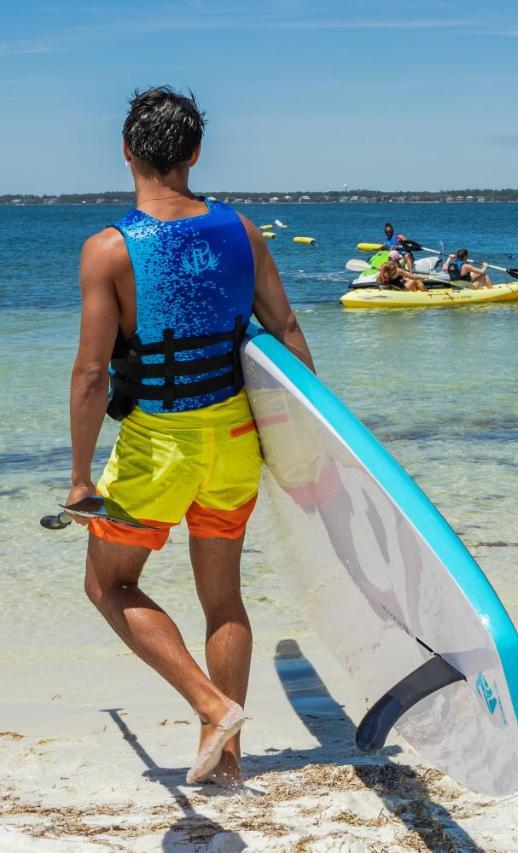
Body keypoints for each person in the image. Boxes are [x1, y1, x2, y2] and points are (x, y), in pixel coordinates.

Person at [67, 87, 315, 785]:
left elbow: (91, 375)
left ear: (125, 150)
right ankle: (226, 760)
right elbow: (288, 332)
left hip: (159, 447)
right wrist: (314, 446)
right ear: (196, 153)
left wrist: (82, 476)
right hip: (236, 437)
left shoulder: (109, 249)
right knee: (223, 598)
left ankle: (211, 706)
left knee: (107, 585)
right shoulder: (242, 231)